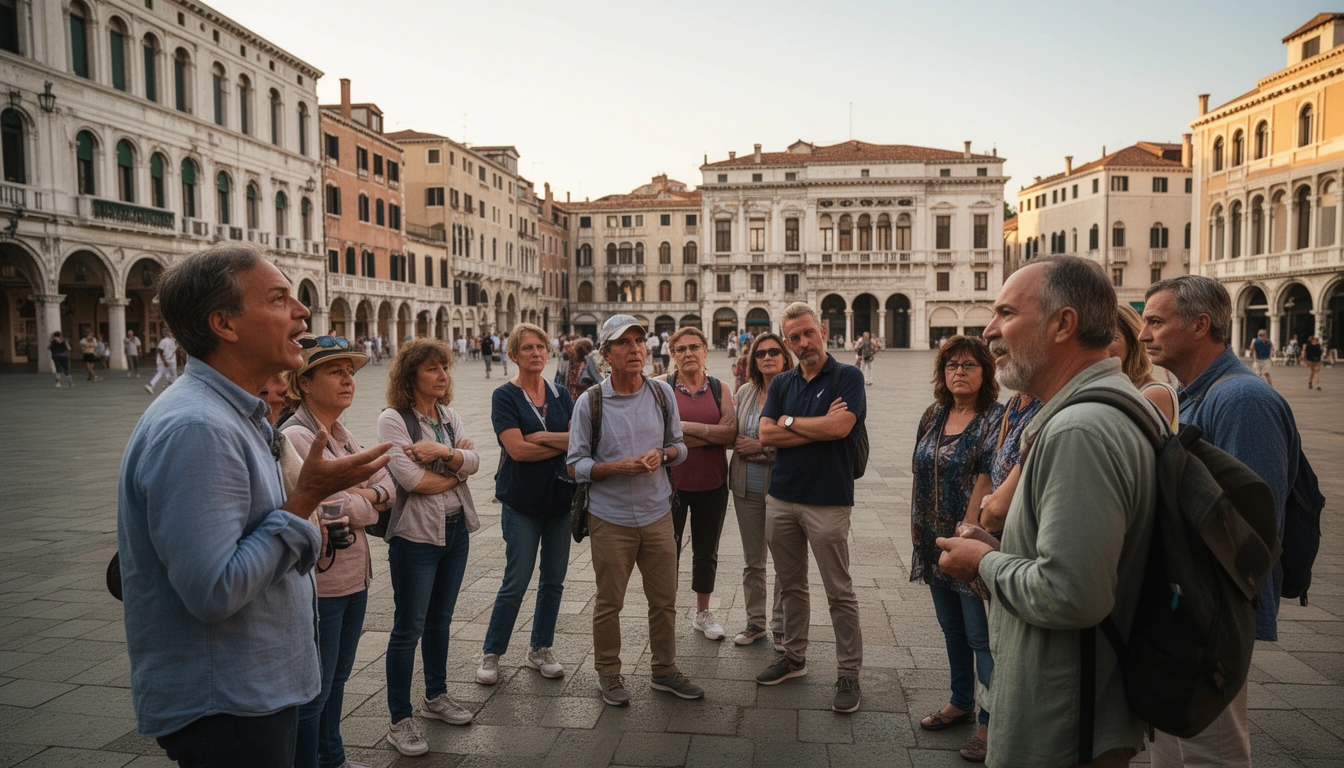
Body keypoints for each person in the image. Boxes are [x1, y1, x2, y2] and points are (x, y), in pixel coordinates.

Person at [118, 244, 391, 767]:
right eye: (279, 298)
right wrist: (307, 499)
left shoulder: (233, 417)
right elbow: (216, 590)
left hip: (251, 691)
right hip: (230, 704)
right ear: (224, 323)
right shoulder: (198, 427)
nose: (302, 311)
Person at [937, 255, 1160, 768]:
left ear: (1064, 324)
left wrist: (982, 562)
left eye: (1007, 313)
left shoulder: (1079, 430)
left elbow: (1070, 594)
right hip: (1085, 704)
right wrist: (1004, 548)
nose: (990, 330)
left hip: (1061, 719)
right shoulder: (1113, 404)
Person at [1140, 276, 1301, 768]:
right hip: (1185, 603)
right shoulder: (1194, 394)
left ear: (1200, 325)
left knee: (1212, 752)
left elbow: (1251, 520)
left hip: (1210, 609)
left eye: (1156, 321)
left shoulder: (1241, 400)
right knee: (1173, 743)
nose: (1145, 334)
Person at [566, 314, 703, 707]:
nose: (635, 349)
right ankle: (608, 673)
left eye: (639, 341)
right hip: (611, 520)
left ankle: (664, 670)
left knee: (664, 601)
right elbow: (574, 465)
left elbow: (680, 446)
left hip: (658, 514)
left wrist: (664, 454)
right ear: (606, 354)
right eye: (624, 343)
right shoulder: (590, 402)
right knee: (610, 602)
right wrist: (612, 468)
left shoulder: (662, 395)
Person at [282, 337, 393, 768]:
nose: (349, 379)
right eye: (335, 371)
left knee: (339, 678)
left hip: (354, 577)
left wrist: (359, 494)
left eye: (350, 371)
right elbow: (337, 505)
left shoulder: (343, 434)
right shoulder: (295, 434)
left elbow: (390, 485)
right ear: (304, 382)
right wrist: (367, 498)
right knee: (315, 691)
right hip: (321, 586)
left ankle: (334, 758)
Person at [756, 301, 866, 714]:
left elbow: (841, 427)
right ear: (788, 342)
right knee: (791, 586)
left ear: (822, 329)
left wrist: (790, 423)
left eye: (808, 333)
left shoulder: (847, 376)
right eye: (795, 338)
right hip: (781, 498)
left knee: (839, 591)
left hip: (828, 501)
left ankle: (849, 674)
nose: (804, 343)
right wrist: (810, 427)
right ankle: (794, 657)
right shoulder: (783, 382)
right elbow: (765, 434)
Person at [377, 338, 482, 756]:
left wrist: (442, 452)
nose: (442, 375)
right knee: (408, 628)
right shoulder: (393, 419)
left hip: (456, 530)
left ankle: (435, 697)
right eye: (433, 369)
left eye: (445, 368)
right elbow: (412, 481)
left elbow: (476, 461)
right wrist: (457, 468)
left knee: (441, 619)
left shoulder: (449, 416)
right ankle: (399, 719)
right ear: (411, 376)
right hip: (415, 536)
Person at [911, 336, 1003, 762]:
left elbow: (986, 481)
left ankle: (990, 722)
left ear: (985, 372)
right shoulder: (934, 414)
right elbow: (919, 469)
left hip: (966, 544)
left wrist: (963, 540)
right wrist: (919, 532)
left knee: (978, 636)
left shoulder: (992, 419)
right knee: (951, 629)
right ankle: (962, 699)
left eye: (968, 365)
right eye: (951, 365)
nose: (959, 372)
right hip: (931, 539)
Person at [477, 323, 574, 686]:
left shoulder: (562, 394)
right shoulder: (504, 396)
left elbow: (580, 440)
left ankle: (540, 649)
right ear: (513, 354)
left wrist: (546, 437)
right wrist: (561, 444)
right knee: (516, 580)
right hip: (521, 501)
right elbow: (516, 449)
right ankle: (492, 652)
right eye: (527, 348)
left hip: (560, 499)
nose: (535, 353)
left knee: (554, 580)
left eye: (540, 347)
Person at [664, 327, 736, 641]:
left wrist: (684, 431)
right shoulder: (661, 388)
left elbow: (730, 435)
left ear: (706, 350)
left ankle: (703, 613)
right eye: (681, 349)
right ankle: (664, 612)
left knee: (706, 552)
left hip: (713, 483)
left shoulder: (721, 389)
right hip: (670, 487)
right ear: (673, 354)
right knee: (668, 552)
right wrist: (709, 434)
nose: (688, 353)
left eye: (694, 347)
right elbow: (656, 436)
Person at [727, 332, 793, 648]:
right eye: (760, 353)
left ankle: (780, 626)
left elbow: (799, 443)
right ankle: (755, 623)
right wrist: (762, 446)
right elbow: (736, 439)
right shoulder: (745, 391)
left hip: (785, 489)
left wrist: (761, 447)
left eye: (774, 352)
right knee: (753, 561)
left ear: (785, 357)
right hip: (747, 487)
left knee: (784, 561)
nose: (767, 357)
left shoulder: (796, 392)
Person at [976, 389, 1042, 536]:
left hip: (1020, 532)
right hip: (1000, 531)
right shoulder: (1015, 401)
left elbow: (997, 512)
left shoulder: (1044, 411)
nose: (998, 364)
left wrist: (985, 515)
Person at [1111, 304, 1177, 430]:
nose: (1103, 345)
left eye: (1114, 337)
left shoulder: (1154, 393)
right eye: (1098, 337)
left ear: (1133, 344)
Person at [145, 329, 178, 395]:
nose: (171, 333)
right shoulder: (164, 341)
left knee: (174, 374)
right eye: (170, 332)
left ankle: (171, 387)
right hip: (164, 360)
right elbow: (160, 351)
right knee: (161, 372)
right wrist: (164, 361)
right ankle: (151, 385)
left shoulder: (174, 340)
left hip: (172, 359)